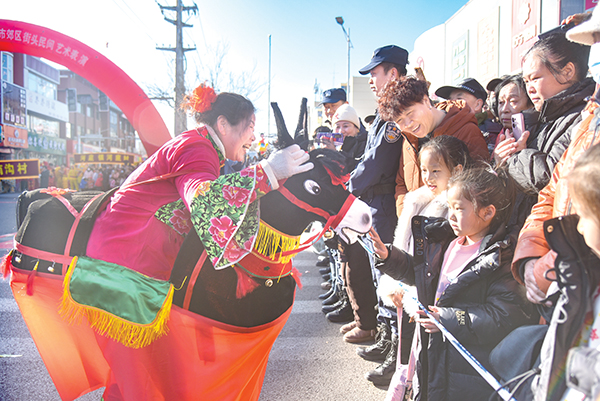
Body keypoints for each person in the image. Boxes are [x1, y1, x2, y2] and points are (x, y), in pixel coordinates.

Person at [84, 84, 313, 400]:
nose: (253, 137)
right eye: (250, 127)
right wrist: (268, 172)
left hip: (127, 254)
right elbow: (204, 201)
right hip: (126, 262)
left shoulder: (200, 145)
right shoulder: (198, 148)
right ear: (223, 125)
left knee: (140, 374)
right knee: (141, 376)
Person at [369, 166, 535, 401]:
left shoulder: (500, 258)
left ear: (488, 213)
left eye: (459, 209)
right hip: (435, 354)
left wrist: (447, 318)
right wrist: (389, 257)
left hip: (466, 371)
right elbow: (422, 277)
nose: (451, 216)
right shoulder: (447, 241)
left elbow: (502, 316)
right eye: (450, 207)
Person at [381, 135, 472, 400]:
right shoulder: (418, 200)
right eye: (423, 170)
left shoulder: (452, 208)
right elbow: (405, 244)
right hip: (409, 286)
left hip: (428, 295)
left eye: (435, 171)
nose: (428, 177)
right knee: (411, 355)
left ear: (457, 170)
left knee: (425, 361)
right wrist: (396, 283)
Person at [349, 44, 409, 386]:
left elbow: (376, 163)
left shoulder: (393, 118)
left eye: (375, 73)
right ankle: (386, 340)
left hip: (384, 204)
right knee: (379, 276)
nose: (371, 80)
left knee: (390, 279)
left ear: (393, 73)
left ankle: (396, 356)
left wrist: (347, 185)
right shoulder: (384, 113)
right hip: (375, 204)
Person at [494, 31, 593, 229]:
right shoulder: (539, 118)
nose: (529, 88)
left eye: (535, 78)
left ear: (567, 72)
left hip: (553, 233)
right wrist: (500, 162)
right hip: (526, 230)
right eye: (526, 81)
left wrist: (515, 156)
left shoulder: (583, 117)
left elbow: (549, 178)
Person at [379, 76, 489, 217]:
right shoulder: (409, 138)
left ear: (426, 101)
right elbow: (401, 183)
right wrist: (406, 217)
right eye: (399, 120)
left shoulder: (465, 130)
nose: (408, 124)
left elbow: (479, 184)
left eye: (410, 113)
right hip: (416, 226)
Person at [491, 74, 534, 158]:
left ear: (531, 104)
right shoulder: (502, 135)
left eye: (513, 101)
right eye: (501, 102)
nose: (504, 109)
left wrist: (521, 156)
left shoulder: (542, 135)